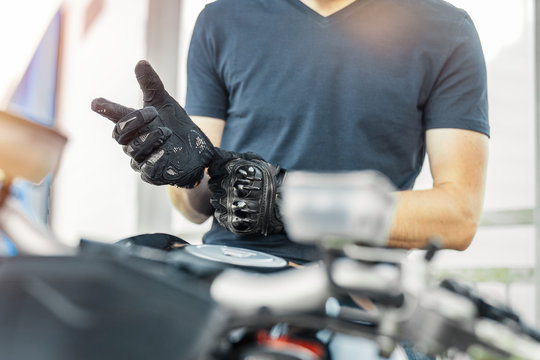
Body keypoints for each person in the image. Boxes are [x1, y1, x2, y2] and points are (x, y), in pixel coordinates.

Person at [92, 0, 488, 357]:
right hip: (228, 286)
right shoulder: (222, 19)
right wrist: (181, 164)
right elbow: (193, 207)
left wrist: (287, 200)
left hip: (353, 300)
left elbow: (458, 216)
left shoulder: (444, 29)